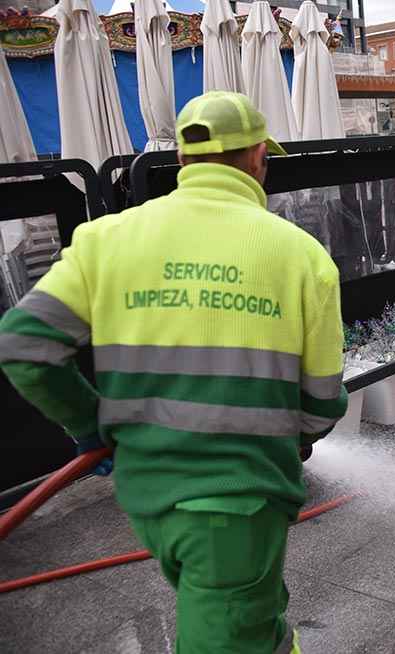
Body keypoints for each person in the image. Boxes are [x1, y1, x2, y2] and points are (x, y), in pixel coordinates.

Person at [0, 91, 348, 654]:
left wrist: (89, 424)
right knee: (231, 636)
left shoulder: (106, 239)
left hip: (148, 496)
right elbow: (323, 400)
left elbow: (24, 347)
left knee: (248, 620)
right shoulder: (302, 257)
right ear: (258, 156)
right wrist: (296, 438)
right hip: (235, 501)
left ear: (183, 159)